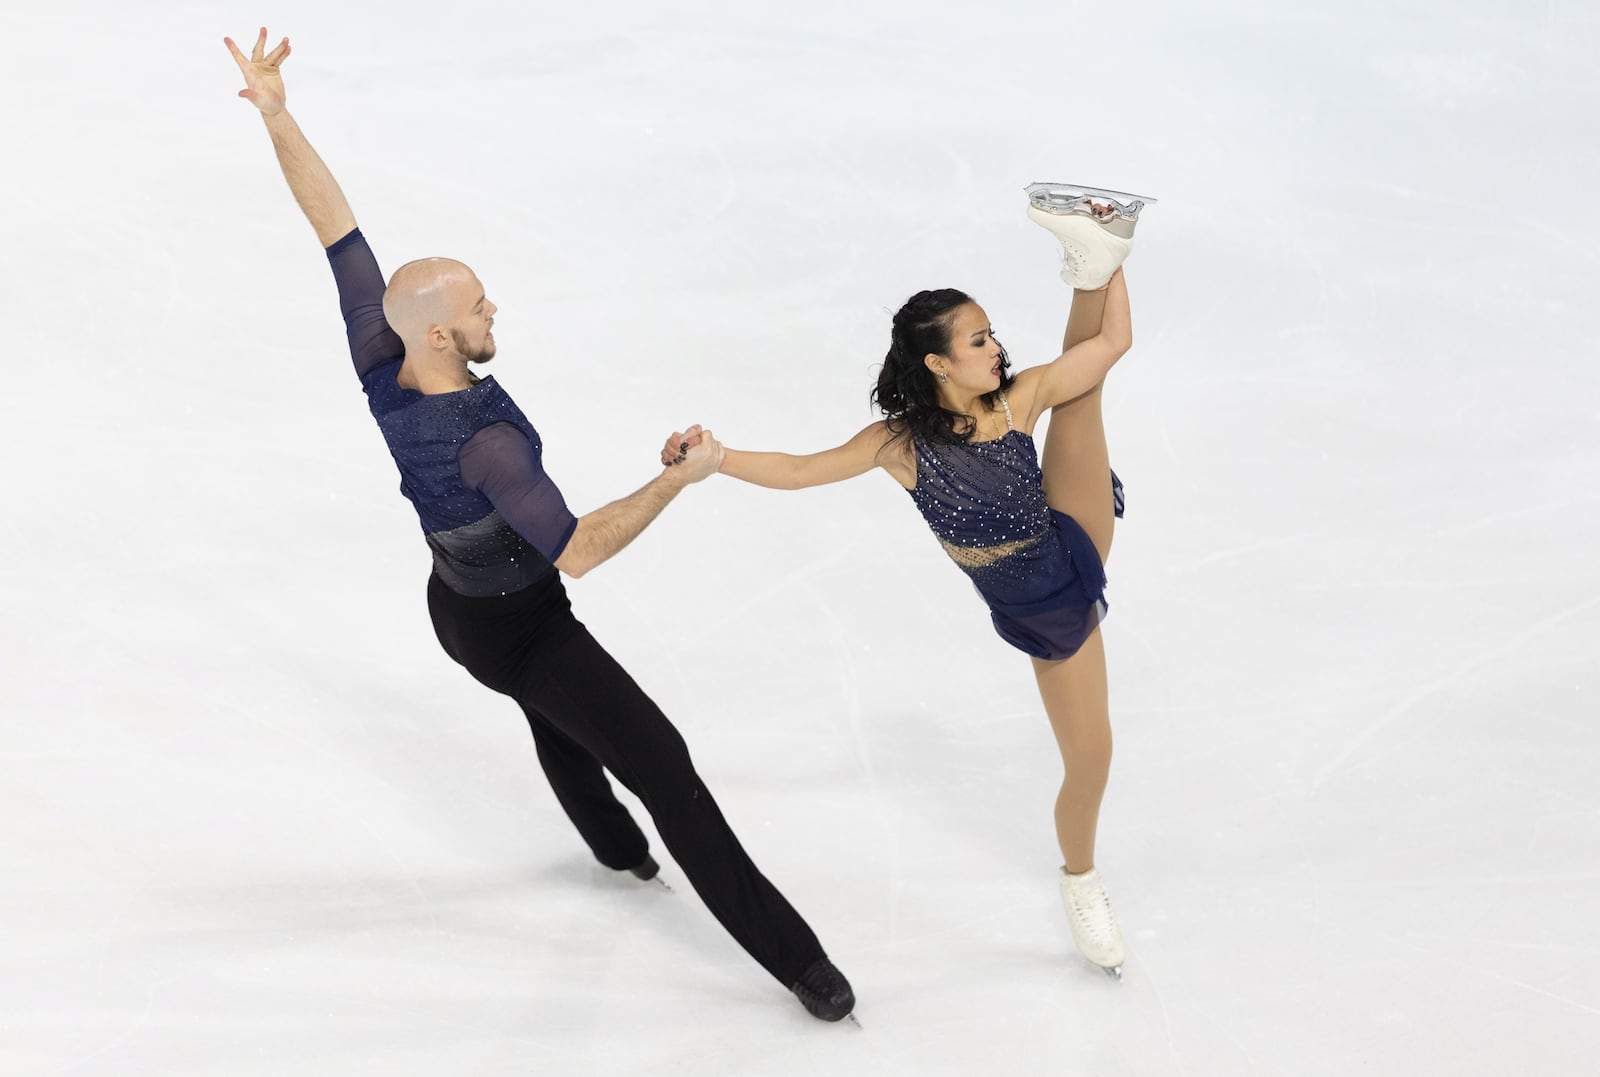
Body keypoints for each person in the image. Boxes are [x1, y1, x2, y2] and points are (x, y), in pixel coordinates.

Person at [224, 27, 855, 1020]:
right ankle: (799, 962)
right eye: (477, 306)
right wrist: (680, 481)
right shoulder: (486, 445)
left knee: (549, 706)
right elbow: (582, 549)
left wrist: (276, 113)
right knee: (660, 761)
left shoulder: (378, 350)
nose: (492, 310)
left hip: (458, 609)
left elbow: (335, 227)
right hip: (518, 617)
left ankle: (611, 849)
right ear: (441, 333)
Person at [664, 195, 1144, 977]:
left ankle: (1094, 251)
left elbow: (1114, 343)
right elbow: (798, 469)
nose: (997, 349)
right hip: (1042, 607)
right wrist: (718, 459)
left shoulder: (1018, 400)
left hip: (1072, 532)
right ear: (937, 362)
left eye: (992, 334)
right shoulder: (898, 445)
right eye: (979, 339)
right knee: (1091, 758)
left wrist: (1122, 261)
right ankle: (1081, 875)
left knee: (1079, 388)